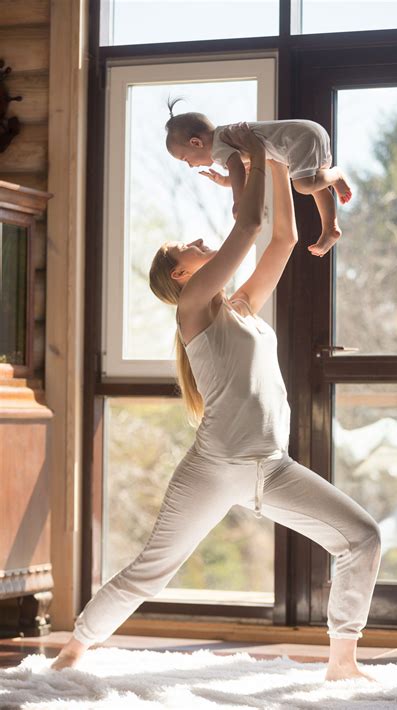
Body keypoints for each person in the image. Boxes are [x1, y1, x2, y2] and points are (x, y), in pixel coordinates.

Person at [52, 124, 380, 683]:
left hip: (273, 468)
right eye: (190, 248)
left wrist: (274, 162)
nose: (200, 243)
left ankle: (342, 662)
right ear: (182, 276)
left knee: (361, 537)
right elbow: (249, 224)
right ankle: (73, 650)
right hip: (214, 467)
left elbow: (280, 238)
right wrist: (252, 150)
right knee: (150, 572)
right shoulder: (195, 308)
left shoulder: (243, 308)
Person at [165, 100, 352, 257]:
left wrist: (239, 201)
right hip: (307, 132)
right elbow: (246, 171)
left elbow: (237, 168)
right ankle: (331, 227)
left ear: (196, 143)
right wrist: (224, 180)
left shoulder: (219, 146)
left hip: (298, 139)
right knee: (314, 183)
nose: (190, 165)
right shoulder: (228, 140)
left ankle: (336, 175)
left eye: (186, 159)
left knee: (304, 186)